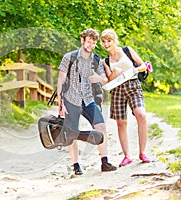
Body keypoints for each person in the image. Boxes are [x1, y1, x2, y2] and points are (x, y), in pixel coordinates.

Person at [56, 28, 117, 175]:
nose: (91, 45)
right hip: (71, 100)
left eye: (94, 43)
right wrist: (60, 103)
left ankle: (105, 162)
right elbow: (60, 80)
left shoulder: (96, 60)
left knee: (101, 126)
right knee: (71, 132)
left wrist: (97, 78)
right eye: (89, 42)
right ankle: (76, 166)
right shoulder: (69, 57)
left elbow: (104, 79)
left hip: (88, 100)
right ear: (82, 40)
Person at [100, 29, 150, 167]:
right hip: (117, 90)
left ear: (114, 40)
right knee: (121, 123)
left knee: (141, 115)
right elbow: (109, 80)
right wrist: (115, 72)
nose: (106, 44)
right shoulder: (105, 61)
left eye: (108, 41)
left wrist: (133, 70)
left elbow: (143, 66)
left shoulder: (127, 50)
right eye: (103, 41)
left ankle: (142, 152)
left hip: (133, 86)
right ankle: (127, 156)